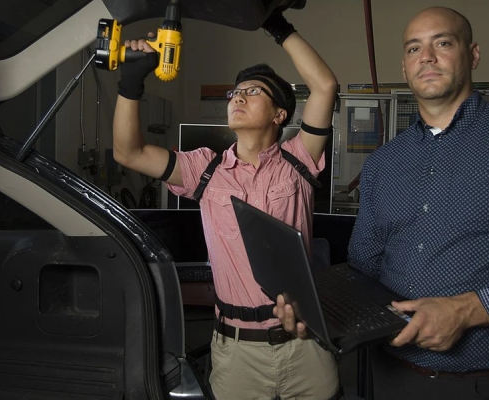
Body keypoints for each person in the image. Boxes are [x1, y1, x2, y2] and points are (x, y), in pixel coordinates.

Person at [275, 6, 489, 400]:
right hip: (386, 376)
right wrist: (315, 304)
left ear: (472, 55)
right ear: (404, 68)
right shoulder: (384, 164)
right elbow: (364, 268)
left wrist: (469, 309)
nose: (427, 57)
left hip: (485, 385)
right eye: (413, 48)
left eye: (442, 43)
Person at [112, 9, 341, 400]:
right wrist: (131, 82)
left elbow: (324, 86)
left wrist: (275, 23)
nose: (238, 97)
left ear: (279, 114)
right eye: (235, 92)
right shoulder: (205, 168)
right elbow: (128, 152)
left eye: (253, 92)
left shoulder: (298, 161)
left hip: (306, 345)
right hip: (236, 354)